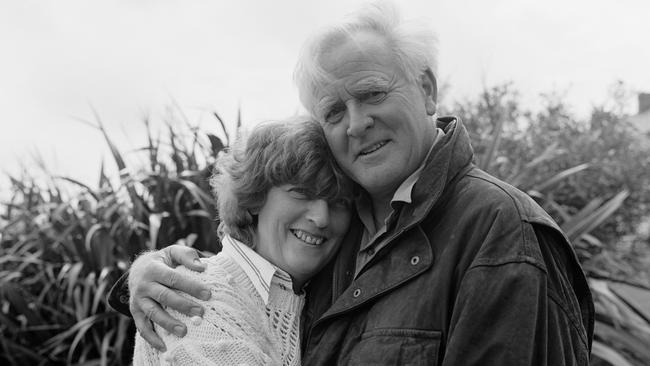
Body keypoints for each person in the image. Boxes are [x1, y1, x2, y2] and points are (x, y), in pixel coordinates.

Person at [111, 3, 594, 364]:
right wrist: (147, 276)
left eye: (372, 93)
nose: (357, 123)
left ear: (426, 89)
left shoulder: (500, 229)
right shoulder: (340, 235)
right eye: (334, 111)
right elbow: (246, 287)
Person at [131, 118, 354, 365]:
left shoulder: (315, 296)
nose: (322, 218)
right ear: (255, 197)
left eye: (340, 201)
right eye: (302, 193)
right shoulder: (196, 298)